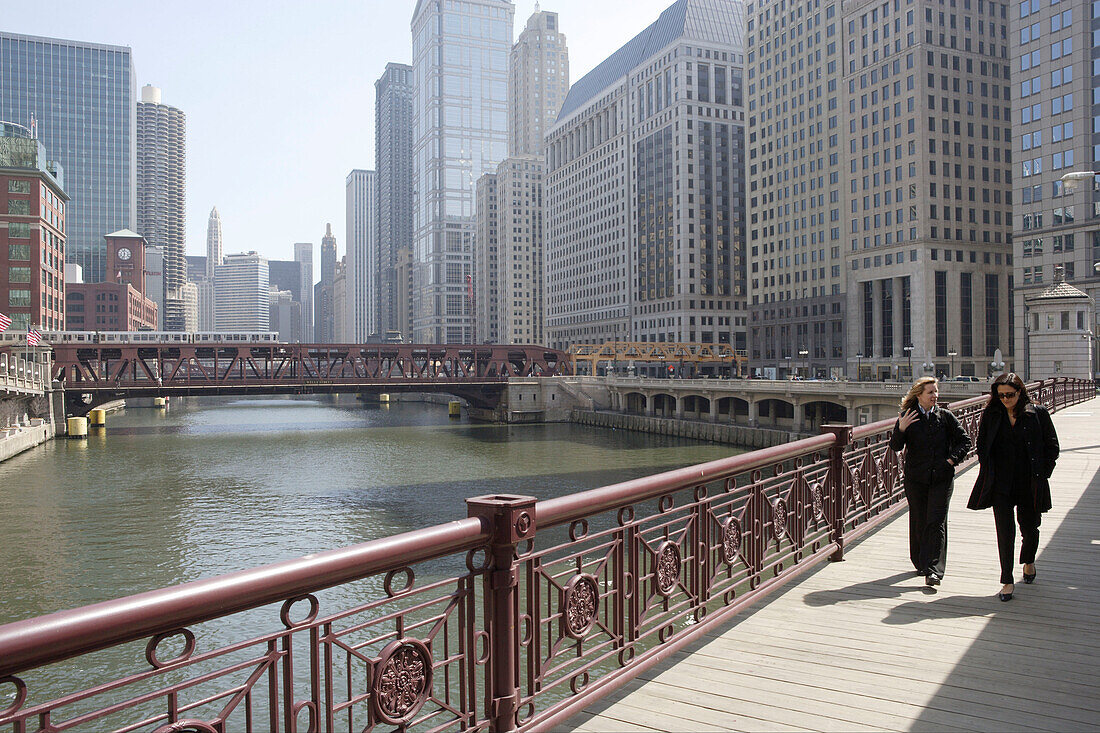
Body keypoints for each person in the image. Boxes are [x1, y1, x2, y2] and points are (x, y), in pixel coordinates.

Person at [967, 373, 1059, 602]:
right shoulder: (992, 414)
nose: (1005, 399)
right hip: (1001, 484)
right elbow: (982, 445)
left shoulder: (1037, 414)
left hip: (1029, 483)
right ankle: (1007, 580)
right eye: (1000, 396)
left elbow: (1052, 447)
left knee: (1030, 528)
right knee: (1004, 532)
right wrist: (987, 468)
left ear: (1020, 392)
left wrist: (1043, 473)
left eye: (1009, 395)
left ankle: (1028, 560)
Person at [889, 377, 972, 586]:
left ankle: (934, 570)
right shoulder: (909, 417)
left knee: (936, 521)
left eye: (936, 392)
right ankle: (920, 562)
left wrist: (951, 460)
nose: (935, 396)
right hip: (916, 479)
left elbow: (965, 441)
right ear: (919, 395)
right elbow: (896, 447)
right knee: (919, 519)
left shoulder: (945, 417)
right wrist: (901, 428)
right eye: (930, 392)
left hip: (941, 478)